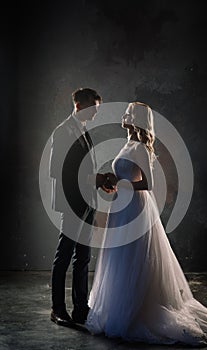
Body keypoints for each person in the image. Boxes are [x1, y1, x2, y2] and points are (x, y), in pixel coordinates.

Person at [85, 102, 207, 346]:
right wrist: (115, 181)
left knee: (133, 258)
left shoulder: (141, 147)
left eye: (129, 113)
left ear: (138, 120)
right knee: (120, 258)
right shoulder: (128, 143)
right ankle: (120, 306)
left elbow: (148, 184)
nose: (124, 115)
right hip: (122, 207)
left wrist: (122, 185)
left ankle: (136, 310)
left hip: (135, 207)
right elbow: (126, 176)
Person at [49, 87, 117, 327]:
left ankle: (80, 309)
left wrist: (99, 182)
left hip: (88, 202)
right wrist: (97, 179)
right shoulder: (63, 131)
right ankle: (57, 310)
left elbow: (85, 168)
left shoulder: (84, 130)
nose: (96, 115)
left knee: (83, 258)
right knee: (64, 257)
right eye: (93, 109)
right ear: (79, 105)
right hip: (72, 204)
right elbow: (57, 171)